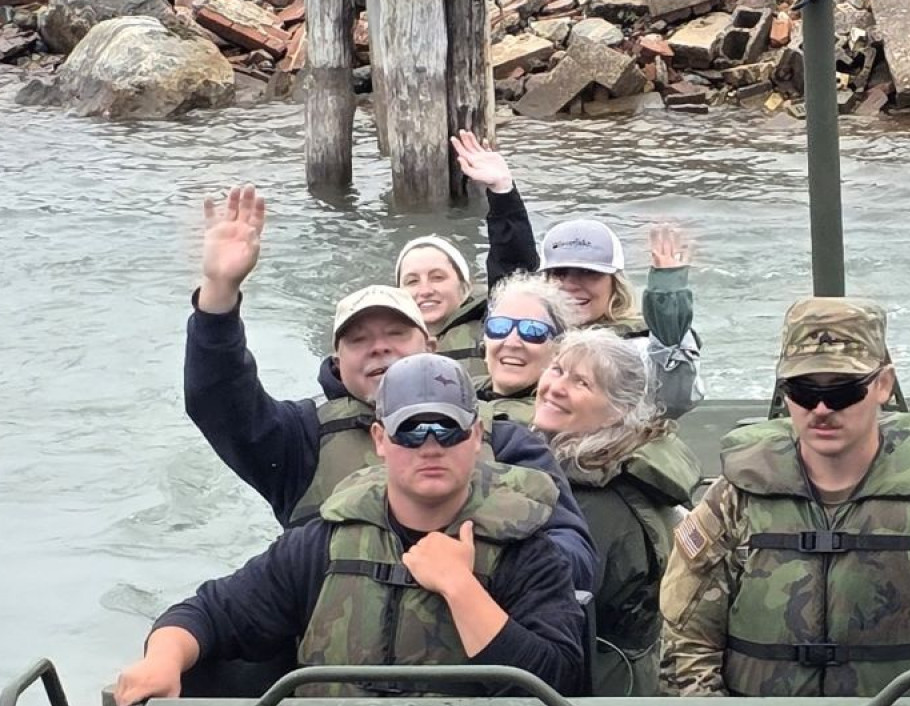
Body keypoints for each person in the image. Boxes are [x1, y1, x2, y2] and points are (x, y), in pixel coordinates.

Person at [182, 185, 598, 590]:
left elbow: (576, 560)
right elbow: (218, 400)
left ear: (431, 346)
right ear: (336, 361)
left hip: (478, 644)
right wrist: (220, 293)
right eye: (358, 340)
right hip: (341, 652)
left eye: (396, 333)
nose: (379, 348)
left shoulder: (505, 438)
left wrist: (492, 556)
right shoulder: (300, 438)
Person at [115, 353, 587, 702]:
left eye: (447, 429)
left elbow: (557, 681)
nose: (429, 446)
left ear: (477, 437)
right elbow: (212, 612)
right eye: (409, 430)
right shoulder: (321, 544)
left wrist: (461, 588)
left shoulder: (529, 552)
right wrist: (163, 657)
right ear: (380, 440)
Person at [660, 297, 910, 698]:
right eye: (801, 390)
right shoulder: (735, 499)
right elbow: (686, 648)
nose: (820, 409)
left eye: (842, 392)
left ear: (882, 385)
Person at [451, 131, 700, 416]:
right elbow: (511, 275)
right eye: (560, 274)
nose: (571, 285)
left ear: (614, 284)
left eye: (589, 274)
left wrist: (670, 338)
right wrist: (503, 192)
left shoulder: (636, 347)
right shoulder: (527, 331)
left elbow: (673, 399)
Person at [531, 328, 702, 696]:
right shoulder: (592, 468)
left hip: (597, 690)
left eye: (582, 383)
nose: (556, 387)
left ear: (619, 411)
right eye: (557, 370)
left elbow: (553, 602)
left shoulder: (599, 500)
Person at [475, 275, 572, 427]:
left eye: (533, 330)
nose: (512, 342)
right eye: (499, 327)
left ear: (558, 350)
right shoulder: (458, 389)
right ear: (485, 342)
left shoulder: (552, 425)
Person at [394, 234, 488, 380]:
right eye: (412, 281)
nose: (425, 291)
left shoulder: (492, 327)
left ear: (465, 288)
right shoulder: (381, 343)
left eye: (437, 278)